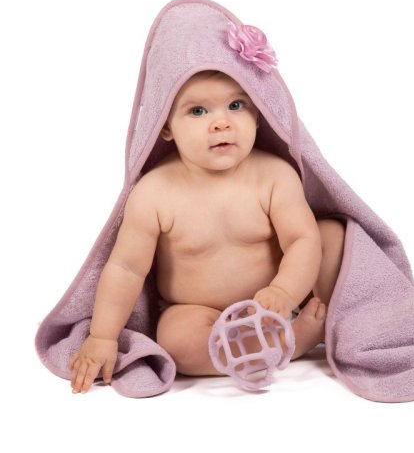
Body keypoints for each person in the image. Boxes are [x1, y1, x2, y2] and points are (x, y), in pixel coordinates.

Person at [68, 69, 346, 393]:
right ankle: (290, 342)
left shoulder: (274, 176)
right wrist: (103, 336)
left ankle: (338, 319)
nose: (221, 123)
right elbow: (126, 268)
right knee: (176, 340)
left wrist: (285, 291)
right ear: (165, 125)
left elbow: (301, 240)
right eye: (198, 111)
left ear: (258, 114)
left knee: (330, 235)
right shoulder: (154, 193)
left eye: (236, 105)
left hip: (280, 302)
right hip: (199, 313)